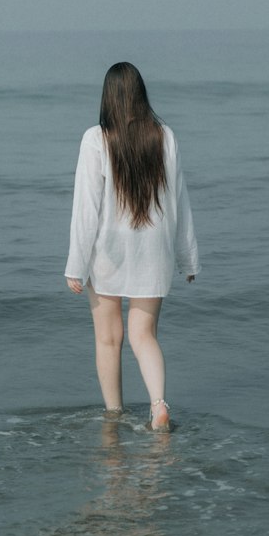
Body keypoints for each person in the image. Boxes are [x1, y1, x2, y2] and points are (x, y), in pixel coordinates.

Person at [65, 62, 199, 430]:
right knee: (144, 335)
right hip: (154, 249)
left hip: (108, 250)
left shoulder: (96, 138)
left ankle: (114, 418)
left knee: (109, 339)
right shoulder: (165, 136)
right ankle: (158, 405)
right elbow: (179, 200)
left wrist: (75, 265)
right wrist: (188, 258)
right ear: (141, 94)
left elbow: (86, 209)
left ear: (108, 97)